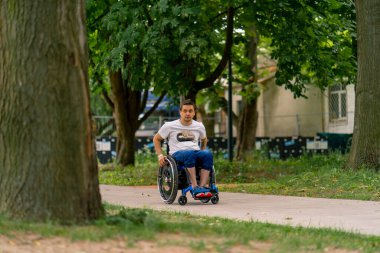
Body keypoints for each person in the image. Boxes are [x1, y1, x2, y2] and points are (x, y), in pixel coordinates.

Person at [153, 99, 213, 198]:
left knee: (207, 154)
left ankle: (201, 188)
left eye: (190, 111)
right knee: (189, 154)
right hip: (177, 154)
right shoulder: (170, 125)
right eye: (185, 111)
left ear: (194, 112)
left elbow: (204, 139)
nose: (187, 113)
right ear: (180, 112)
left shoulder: (199, 126)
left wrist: (202, 151)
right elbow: (156, 139)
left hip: (195, 152)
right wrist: (160, 155)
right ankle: (194, 187)